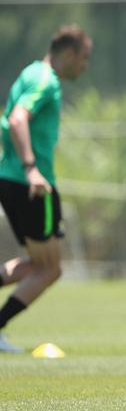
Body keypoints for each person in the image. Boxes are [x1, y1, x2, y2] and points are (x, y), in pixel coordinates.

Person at [0, 24, 92, 352]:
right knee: (50, 269)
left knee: (39, 264)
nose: (85, 65)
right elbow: (17, 119)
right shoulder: (45, 80)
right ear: (68, 54)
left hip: (10, 179)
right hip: (32, 184)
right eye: (83, 58)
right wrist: (31, 168)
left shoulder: (30, 72)